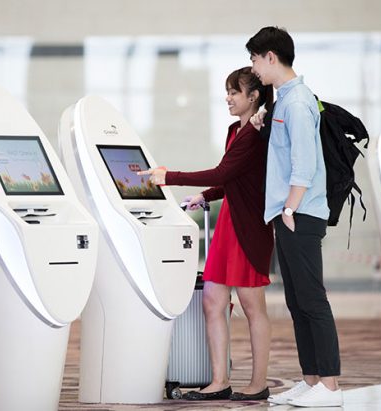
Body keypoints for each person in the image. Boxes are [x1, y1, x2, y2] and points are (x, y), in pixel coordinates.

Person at [139, 67, 274, 402]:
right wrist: (207, 196)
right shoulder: (235, 130)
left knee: (251, 306)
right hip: (229, 224)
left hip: (249, 228)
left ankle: (258, 384)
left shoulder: (255, 136)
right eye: (227, 91)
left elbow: (224, 171)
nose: (227, 98)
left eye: (234, 92)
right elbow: (231, 179)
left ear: (253, 96)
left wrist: (169, 176)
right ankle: (219, 381)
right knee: (213, 301)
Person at [246, 26, 343, 408]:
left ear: (271, 57)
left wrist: (289, 208)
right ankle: (312, 380)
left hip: (299, 213)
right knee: (297, 301)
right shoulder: (283, 100)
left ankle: (331, 387)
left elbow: (304, 163)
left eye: (255, 59)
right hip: (288, 213)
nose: (253, 68)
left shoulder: (298, 102)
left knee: (312, 300)